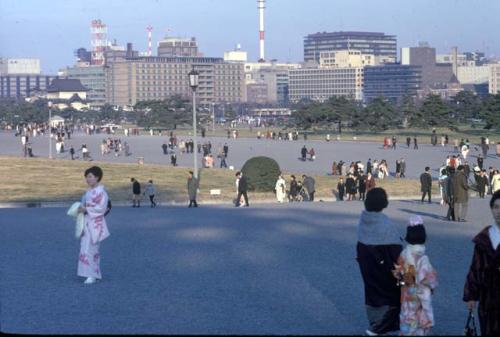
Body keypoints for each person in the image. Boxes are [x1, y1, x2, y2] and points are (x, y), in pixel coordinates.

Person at [356, 188, 402, 336]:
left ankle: (375, 324)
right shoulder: (385, 225)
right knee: (391, 301)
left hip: (368, 267)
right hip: (386, 272)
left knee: (372, 296)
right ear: (384, 202)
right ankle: (377, 329)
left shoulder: (363, 221)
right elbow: (397, 254)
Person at [393, 216, 438, 336]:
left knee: (406, 320)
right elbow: (430, 280)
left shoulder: (403, 254)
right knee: (419, 324)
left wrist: (403, 278)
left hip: (407, 294)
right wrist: (432, 285)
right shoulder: (423, 259)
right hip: (419, 296)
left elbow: (398, 273)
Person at [463, 191, 500, 336]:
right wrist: (471, 295)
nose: (499, 211)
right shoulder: (484, 239)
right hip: (488, 299)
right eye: (496, 207)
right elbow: (476, 268)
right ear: (491, 209)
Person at [77, 166, 110, 285]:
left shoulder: (102, 193)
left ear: (97, 177)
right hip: (86, 222)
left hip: (95, 223)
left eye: (90, 176)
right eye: (86, 177)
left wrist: (86, 209)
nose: (88, 179)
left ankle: (92, 274)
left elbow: (101, 209)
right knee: (85, 248)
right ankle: (90, 273)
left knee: (92, 249)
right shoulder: (88, 192)